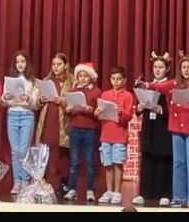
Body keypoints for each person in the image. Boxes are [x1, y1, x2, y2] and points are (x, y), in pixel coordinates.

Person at [138, 51, 189, 208]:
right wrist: (146, 85)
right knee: (178, 163)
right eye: (183, 67)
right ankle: (178, 197)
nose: (186, 70)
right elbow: (158, 86)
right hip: (176, 127)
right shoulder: (174, 84)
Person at [131, 51, 173, 207]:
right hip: (149, 126)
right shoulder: (147, 85)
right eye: (155, 67)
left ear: (167, 69)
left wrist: (160, 109)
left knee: (163, 159)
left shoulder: (169, 86)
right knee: (147, 158)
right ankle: (145, 192)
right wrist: (140, 107)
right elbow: (138, 107)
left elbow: (173, 108)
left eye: (161, 67)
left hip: (163, 126)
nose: (157, 70)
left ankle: (164, 193)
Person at [0, 50, 40, 194]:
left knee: (23, 150)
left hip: (27, 115)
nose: (20, 64)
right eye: (17, 62)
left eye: (22, 61)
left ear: (27, 63)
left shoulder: (33, 82)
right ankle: (17, 181)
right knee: (14, 150)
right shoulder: (10, 80)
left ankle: (25, 179)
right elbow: (3, 102)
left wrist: (29, 99)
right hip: (12, 114)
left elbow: (36, 105)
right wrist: (5, 97)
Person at [35, 52, 75, 195]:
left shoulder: (72, 81)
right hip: (48, 119)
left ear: (65, 66)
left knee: (62, 153)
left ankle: (63, 183)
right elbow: (37, 102)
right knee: (46, 151)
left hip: (63, 120)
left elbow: (75, 103)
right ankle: (44, 183)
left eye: (59, 64)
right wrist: (40, 100)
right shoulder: (47, 81)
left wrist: (62, 101)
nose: (56, 67)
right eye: (54, 64)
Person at [95, 65, 134, 205]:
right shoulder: (105, 94)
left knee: (117, 163)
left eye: (118, 79)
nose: (116, 81)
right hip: (106, 134)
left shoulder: (128, 96)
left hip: (120, 135)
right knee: (107, 164)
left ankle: (117, 191)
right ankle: (109, 190)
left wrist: (121, 112)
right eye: (113, 79)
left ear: (124, 80)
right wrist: (97, 113)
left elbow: (129, 116)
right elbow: (100, 116)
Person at [63, 62, 101, 202]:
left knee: (90, 161)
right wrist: (67, 109)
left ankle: (90, 189)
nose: (83, 78)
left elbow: (99, 112)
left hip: (90, 129)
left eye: (85, 76)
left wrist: (91, 110)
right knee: (74, 161)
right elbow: (68, 109)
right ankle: (72, 188)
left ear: (90, 77)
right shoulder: (73, 91)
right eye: (80, 76)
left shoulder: (96, 92)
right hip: (75, 128)